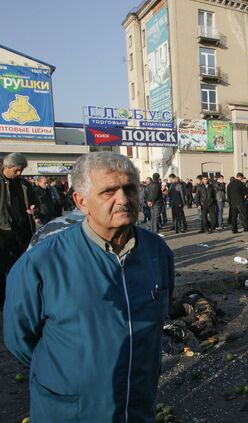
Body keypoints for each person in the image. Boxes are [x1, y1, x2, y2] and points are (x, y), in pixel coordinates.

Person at [3, 151, 174, 422]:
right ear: (81, 201)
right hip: (69, 410)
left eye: (129, 189)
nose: (123, 199)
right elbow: (20, 339)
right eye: (109, 191)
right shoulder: (41, 262)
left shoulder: (157, 252)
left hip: (137, 406)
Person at [0, 152, 38, 304]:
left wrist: (34, 207)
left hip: (23, 231)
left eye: (21, 170)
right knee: (1, 268)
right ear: (7, 167)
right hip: (3, 232)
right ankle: (3, 300)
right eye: (16, 170)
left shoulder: (23, 183)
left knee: (23, 266)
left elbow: (35, 199)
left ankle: (22, 296)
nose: (19, 173)